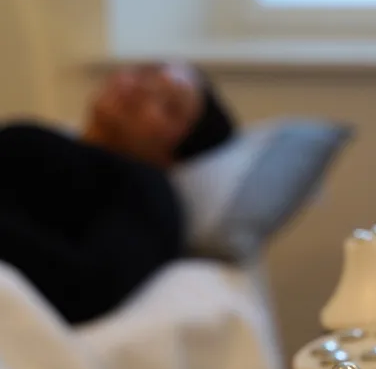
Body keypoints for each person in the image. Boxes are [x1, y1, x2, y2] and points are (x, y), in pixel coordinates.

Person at [0, 63, 236, 323]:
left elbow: (89, 285)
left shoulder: (147, 193)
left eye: (169, 106)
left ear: (176, 154)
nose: (142, 89)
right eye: (145, 73)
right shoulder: (37, 136)